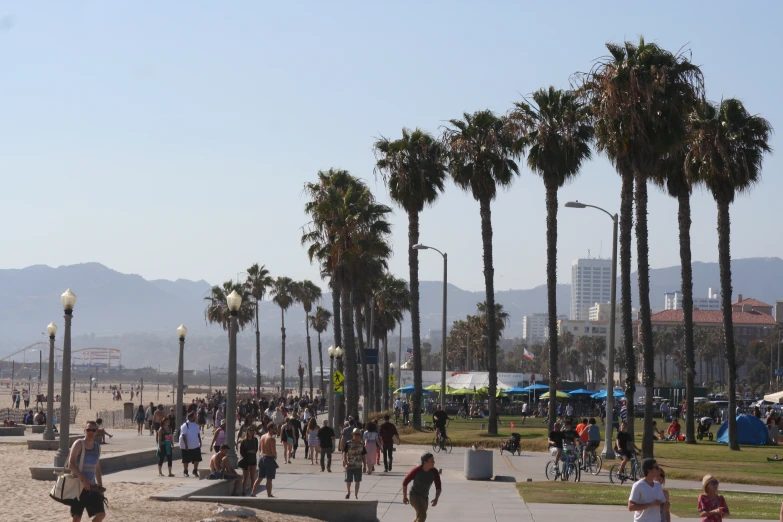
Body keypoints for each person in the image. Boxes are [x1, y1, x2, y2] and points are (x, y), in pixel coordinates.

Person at [67, 420, 105, 522]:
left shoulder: (97, 447)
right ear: (84, 431)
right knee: (77, 517)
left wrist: (100, 487)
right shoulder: (79, 444)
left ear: (96, 432)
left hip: (92, 487)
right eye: (88, 430)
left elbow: (97, 468)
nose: (91, 432)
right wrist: (84, 479)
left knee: (101, 514)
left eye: (93, 430)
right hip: (79, 486)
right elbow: (71, 464)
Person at [402, 452, 442, 522]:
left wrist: (436, 498)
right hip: (414, 496)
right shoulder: (416, 470)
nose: (434, 462)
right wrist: (404, 497)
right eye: (432, 461)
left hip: (425, 498)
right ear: (425, 462)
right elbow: (405, 483)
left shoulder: (434, 472)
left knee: (419, 516)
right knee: (423, 515)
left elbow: (438, 487)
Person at [253, 422, 278, 497]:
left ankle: (253, 493)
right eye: (275, 429)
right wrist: (275, 456)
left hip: (261, 458)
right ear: (270, 429)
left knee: (259, 478)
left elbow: (260, 449)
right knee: (269, 478)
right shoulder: (271, 439)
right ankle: (269, 494)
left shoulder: (262, 437)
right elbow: (273, 452)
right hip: (269, 459)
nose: (276, 430)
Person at [342, 428, 367, 499]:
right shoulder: (348, 443)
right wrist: (346, 463)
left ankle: (356, 494)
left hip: (358, 465)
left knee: (357, 480)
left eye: (358, 434)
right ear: (352, 434)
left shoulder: (361, 445)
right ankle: (348, 492)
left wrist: (365, 466)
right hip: (349, 465)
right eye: (355, 434)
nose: (357, 436)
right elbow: (344, 453)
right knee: (348, 480)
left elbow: (363, 456)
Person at [180, 411, 202, 477]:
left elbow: (198, 434)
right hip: (187, 446)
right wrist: (186, 444)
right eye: (193, 417)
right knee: (186, 460)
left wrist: (200, 441)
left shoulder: (196, 425)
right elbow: (183, 435)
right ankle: (185, 471)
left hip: (195, 445)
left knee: (197, 459)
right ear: (190, 418)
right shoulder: (185, 425)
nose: (195, 418)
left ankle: (195, 470)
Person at [238, 425, 258, 496]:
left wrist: (253, 452)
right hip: (246, 460)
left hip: (253, 460)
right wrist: (248, 452)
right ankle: (243, 491)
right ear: (247, 431)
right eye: (250, 430)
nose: (251, 432)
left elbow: (256, 449)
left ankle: (253, 492)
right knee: (246, 477)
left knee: (253, 477)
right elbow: (241, 452)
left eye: (253, 430)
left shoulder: (255, 440)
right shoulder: (244, 441)